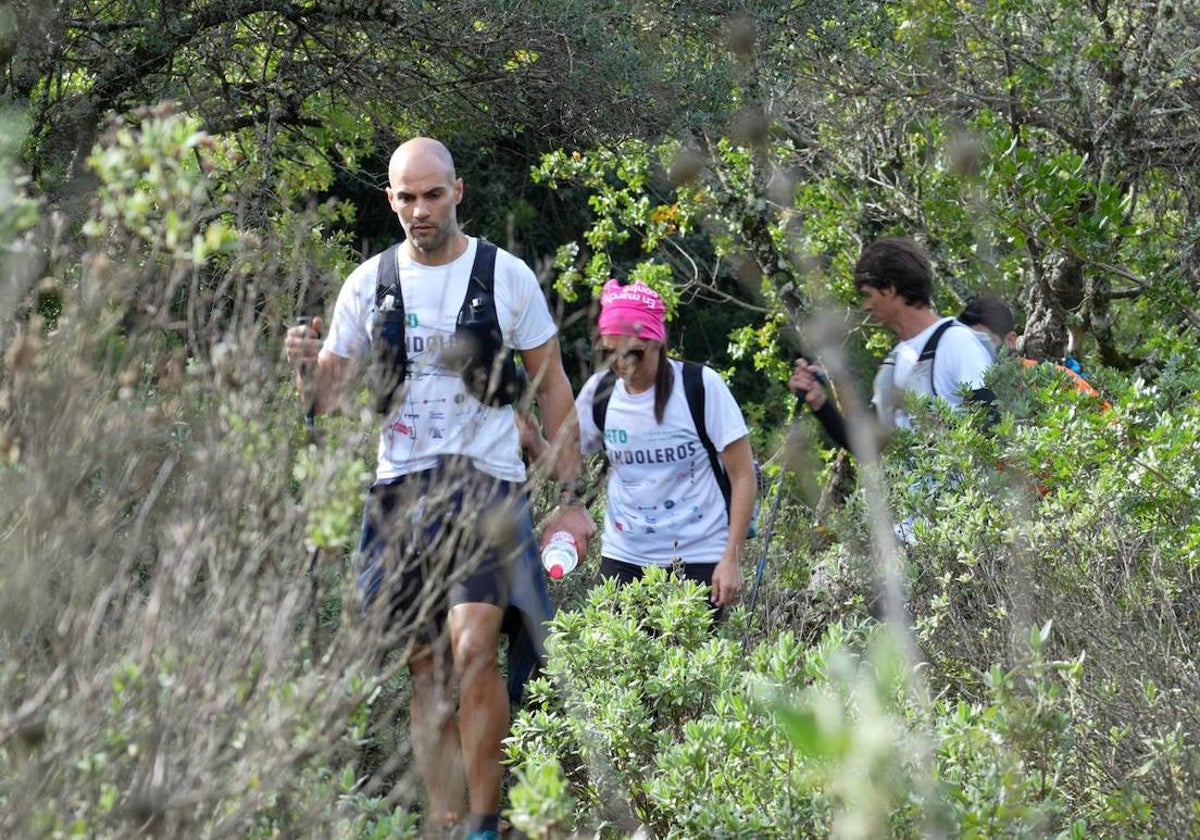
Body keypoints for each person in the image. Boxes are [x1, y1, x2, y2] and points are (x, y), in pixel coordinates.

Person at [284, 137, 594, 840]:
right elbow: (326, 399)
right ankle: (445, 817)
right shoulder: (369, 283)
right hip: (399, 491)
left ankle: (485, 823)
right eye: (406, 198)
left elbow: (553, 387)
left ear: (457, 191)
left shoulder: (505, 275)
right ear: (390, 201)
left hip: (485, 488)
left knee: (473, 649)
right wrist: (305, 367)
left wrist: (570, 496)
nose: (419, 210)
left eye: (431, 195)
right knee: (425, 665)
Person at [574, 279, 757, 614]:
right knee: (611, 663)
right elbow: (566, 459)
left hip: (699, 558)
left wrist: (731, 558)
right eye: (609, 352)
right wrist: (533, 441)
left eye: (632, 352)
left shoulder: (701, 387)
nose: (620, 362)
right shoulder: (599, 392)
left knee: (688, 666)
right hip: (624, 557)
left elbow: (743, 475)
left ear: (657, 342)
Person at [789, 237, 996, 451]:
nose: (866, 306)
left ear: (889, 289)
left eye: (868, 295)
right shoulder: (897, 361)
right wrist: (820, 403)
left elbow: (994, 423)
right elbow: (871, 448)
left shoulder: (957, 343)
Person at [958, 294, 1108, 405]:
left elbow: (1112, 426)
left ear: (1010, 340)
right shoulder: (961, 393)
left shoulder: (1056, 379)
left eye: (984, 342)